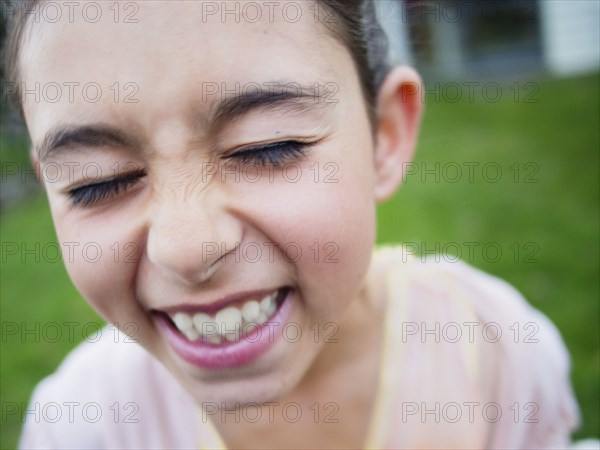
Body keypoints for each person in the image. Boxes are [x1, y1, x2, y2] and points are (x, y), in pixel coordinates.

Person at [3, 0, 580, 448]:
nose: (187, 247)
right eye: (95, 182)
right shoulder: (83, 427)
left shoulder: (496, 352)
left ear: (385, 136)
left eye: (266, 146)